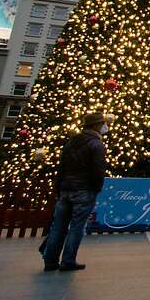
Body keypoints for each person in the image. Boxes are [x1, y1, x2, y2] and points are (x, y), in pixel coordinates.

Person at [43, 112, 109, 272]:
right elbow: (97, 169)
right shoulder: (96, 144)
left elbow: (61, 167)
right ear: (95, 126)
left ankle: (50, 260)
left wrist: (59, 187)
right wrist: (96, 187)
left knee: (58, 226)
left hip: (66, 188)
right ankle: (68, 260)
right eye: (102, 124)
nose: (105, 127)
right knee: (77, 226)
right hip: (84, 189)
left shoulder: (71, 143)